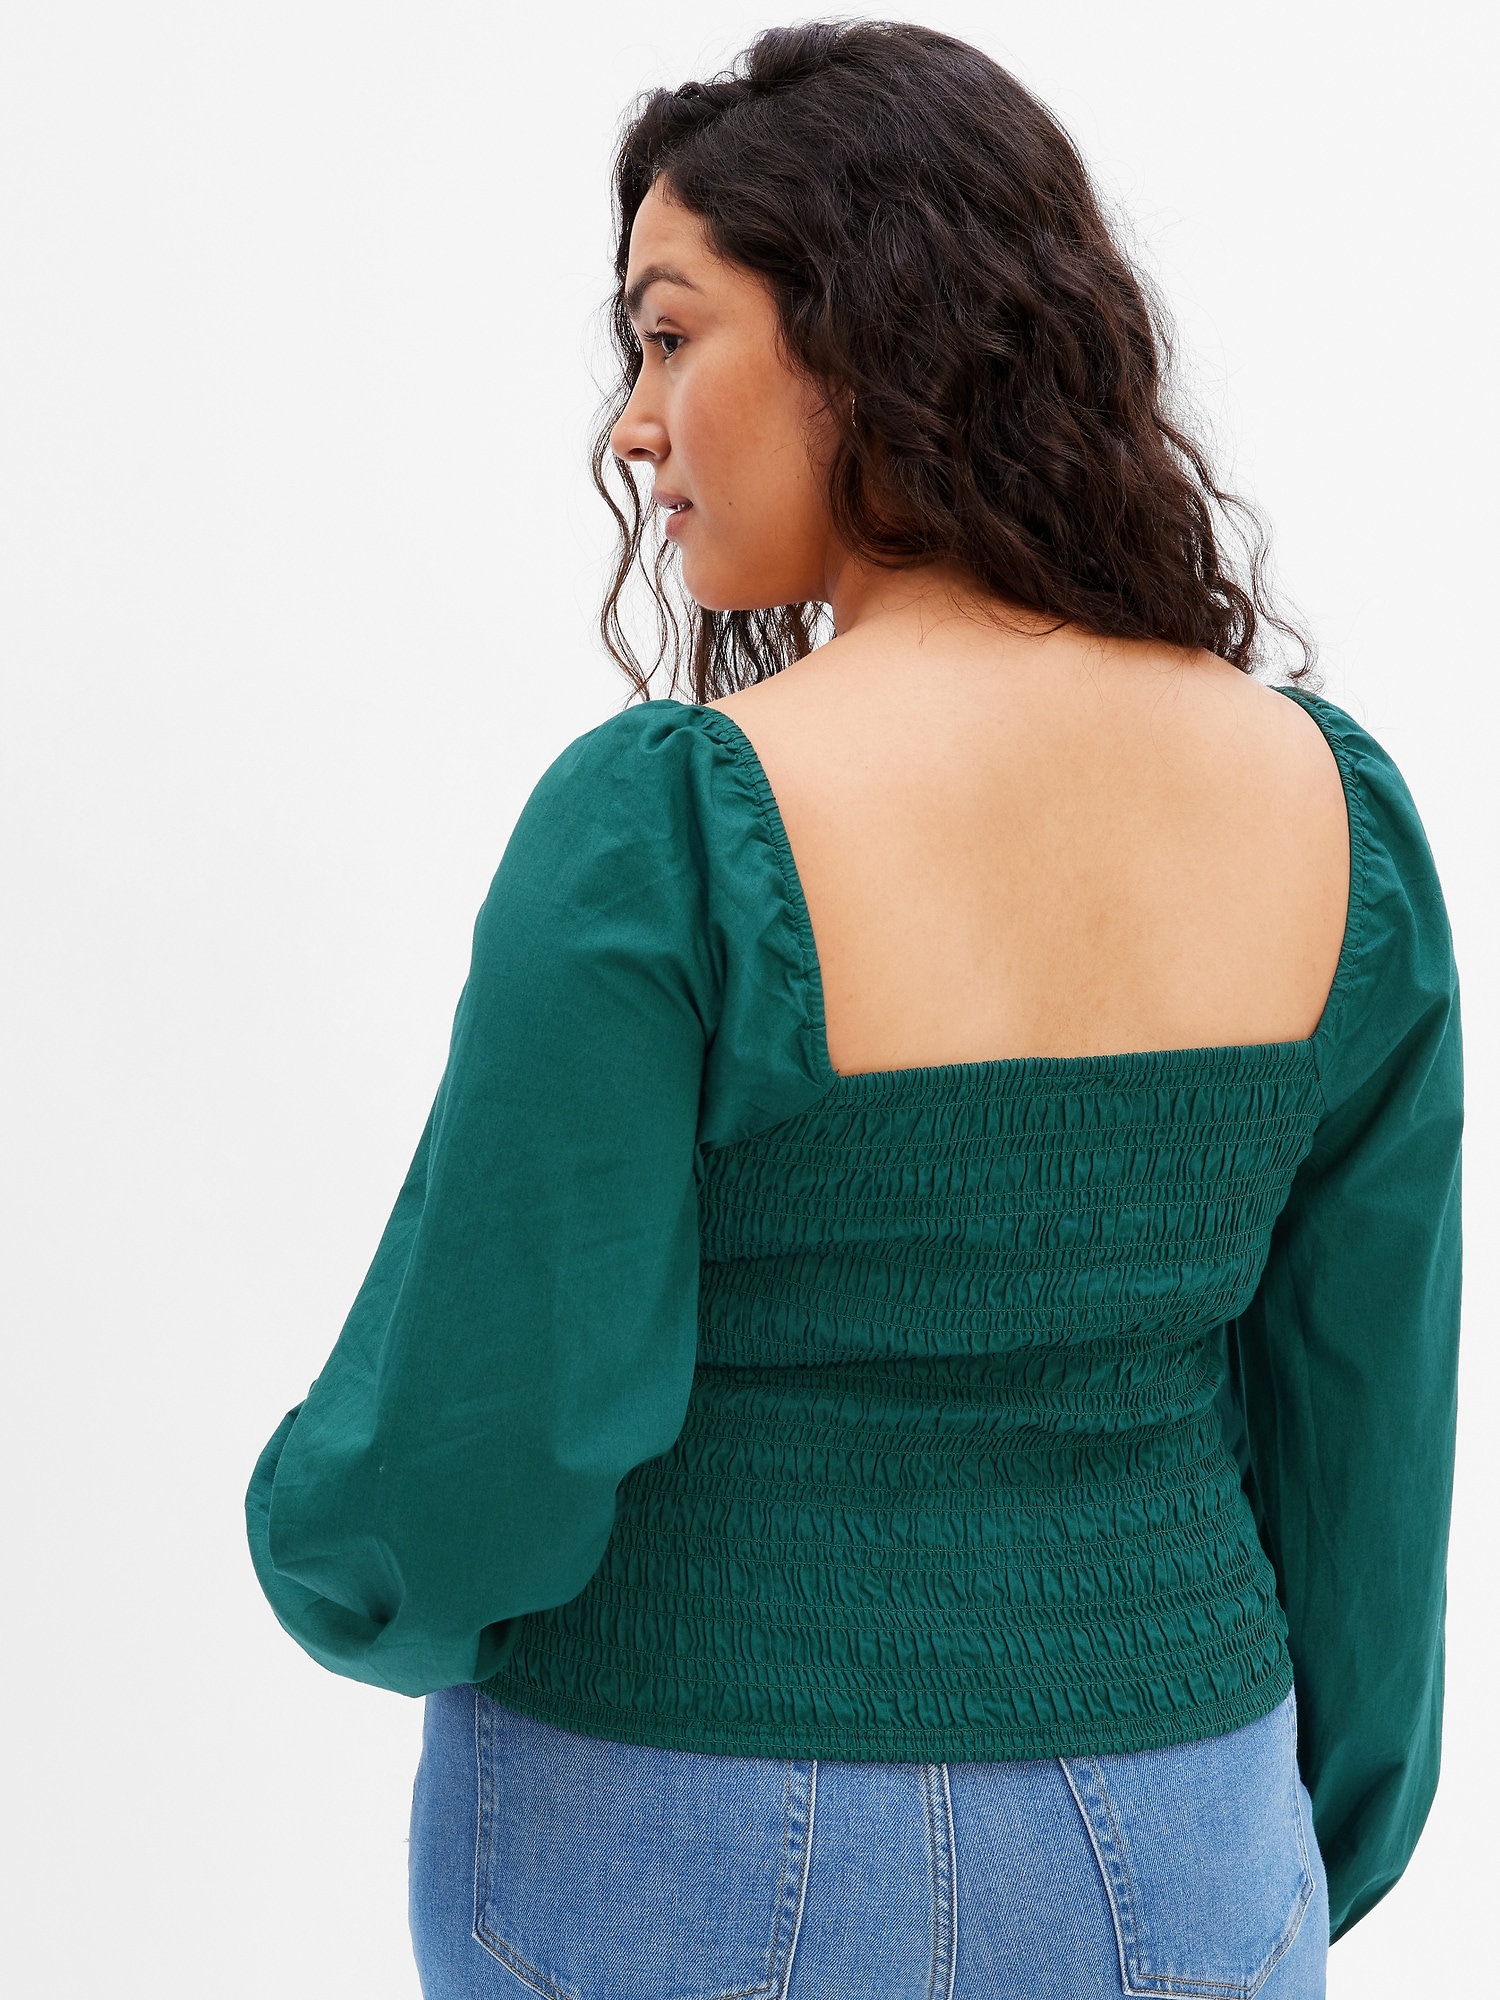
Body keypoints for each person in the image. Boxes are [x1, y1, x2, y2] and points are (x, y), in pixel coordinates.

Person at [246, 21, 1462, 1999]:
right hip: (1185, 1826)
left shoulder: (669, 822)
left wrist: (330, 1549)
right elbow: (1365, 1434)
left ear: (863, 327)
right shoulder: (1338, 814)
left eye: (669, 336)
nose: (634, 427)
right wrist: (1303, 1839)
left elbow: (478, 1454)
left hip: (678, 1814)